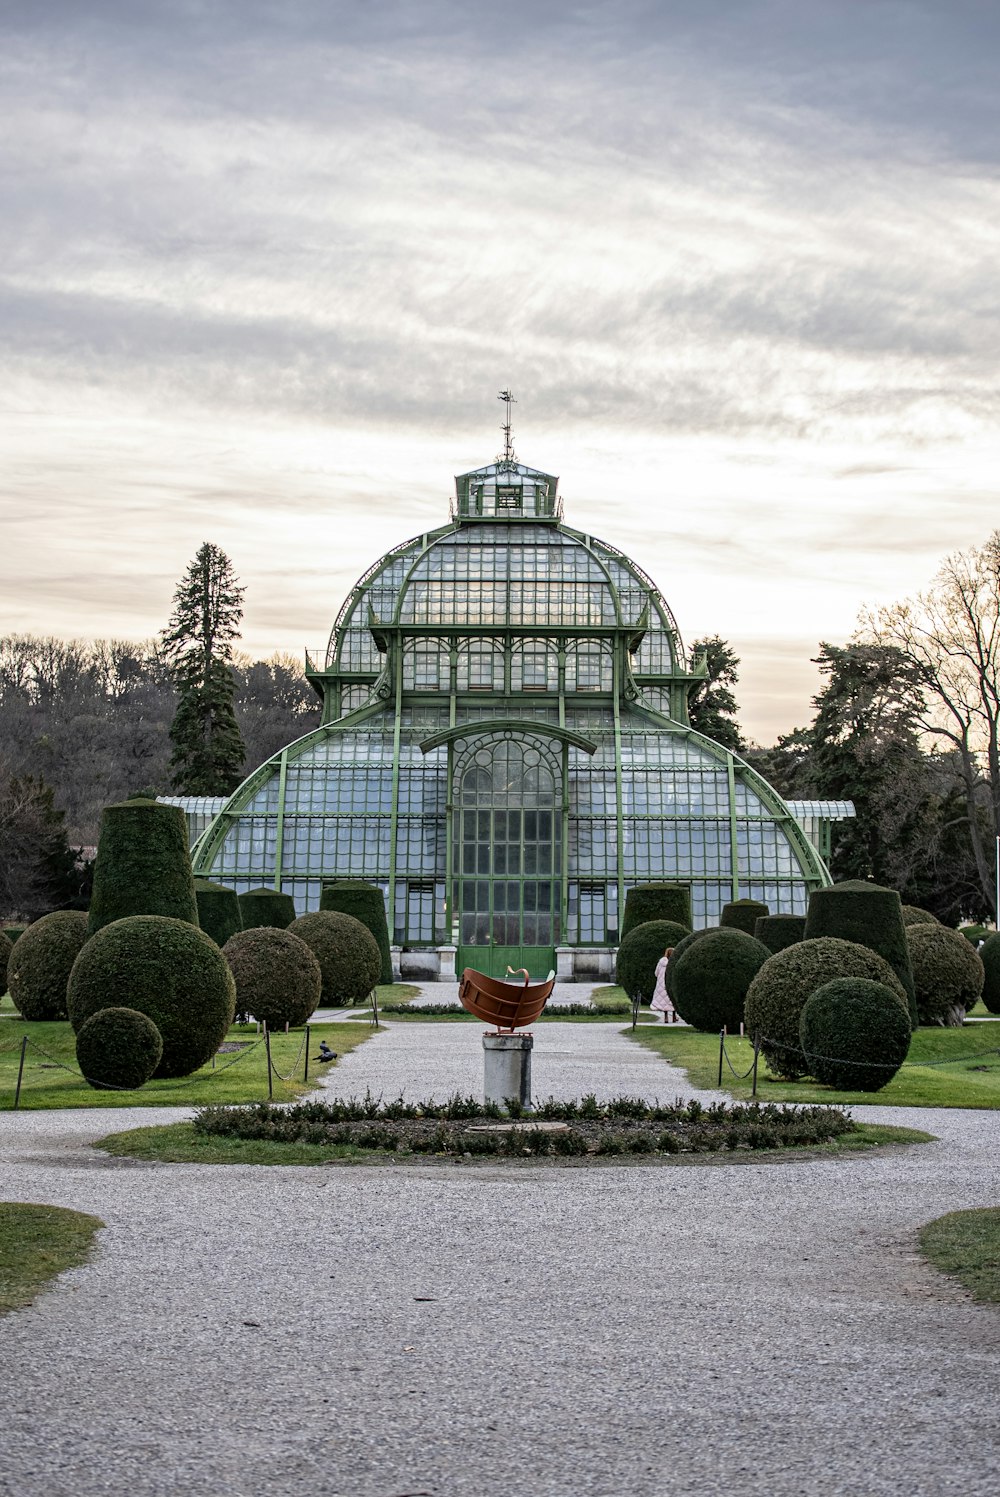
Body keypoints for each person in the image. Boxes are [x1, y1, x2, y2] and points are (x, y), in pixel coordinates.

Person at [650, 947, 674, 1023]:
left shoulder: (661, 962)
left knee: (664, 1002)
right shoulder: (673, 963)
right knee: (672, 1001)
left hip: (661, 985)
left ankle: (666, 1018)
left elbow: (656, 973)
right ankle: (674, 1017)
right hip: (670, 983)